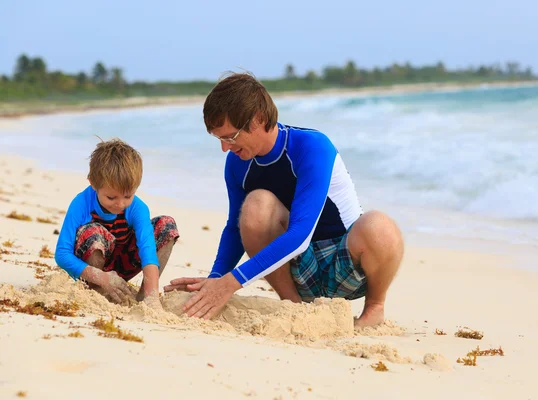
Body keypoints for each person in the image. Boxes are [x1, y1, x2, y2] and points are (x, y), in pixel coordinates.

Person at [164, 72, 404, 327]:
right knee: (255, 205)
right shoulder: (237, 163)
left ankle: (374, 309)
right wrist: (214, 279)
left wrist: (230, 283)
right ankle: (293, 306)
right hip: (297, 271)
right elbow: (235, 228)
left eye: (229, 137)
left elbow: (300, 234)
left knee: (379, 225)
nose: (225, 148)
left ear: (258, 119)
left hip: (346, 263)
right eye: (219, 139)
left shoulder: (311, 146)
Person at [55, 138, 179, 307]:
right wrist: (100, 277)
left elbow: (147, 250)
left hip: (123, 263)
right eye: (111, 197)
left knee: (166, 225)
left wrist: (153, 296)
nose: (120, 204)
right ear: (93, 183)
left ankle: (145, 296)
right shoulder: (81, 203)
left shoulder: (138, 208)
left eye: (128, 196)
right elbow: (62, 254)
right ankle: (97, 290)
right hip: (94, 271)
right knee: (93, 232)